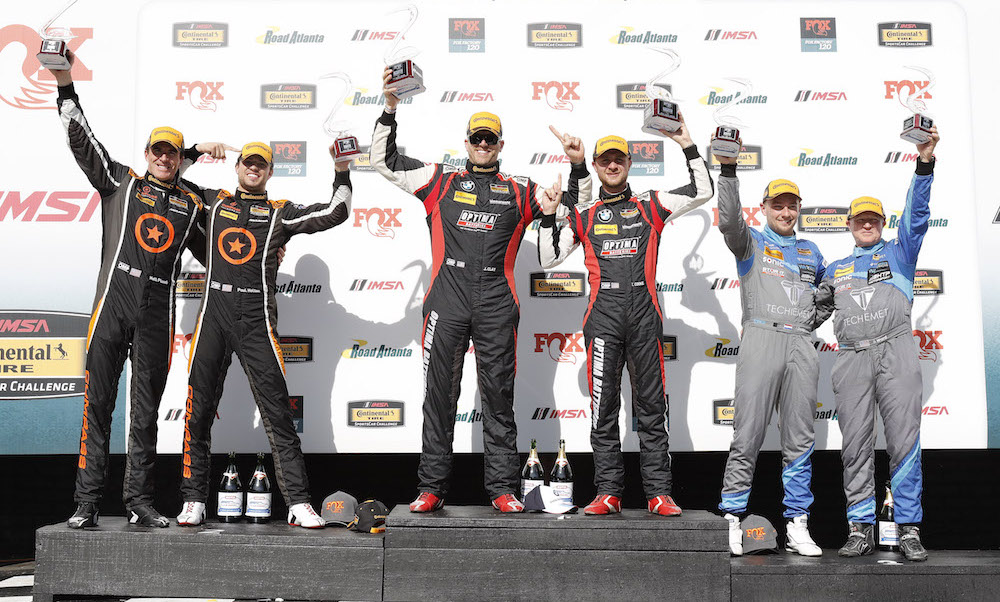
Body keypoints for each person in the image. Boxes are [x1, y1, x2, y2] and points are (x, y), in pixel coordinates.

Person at [371, 67, 589, 513]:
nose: (484, 145)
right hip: (446, 301)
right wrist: (390, 108)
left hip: (496, 303)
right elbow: (384, 162)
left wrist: (577, 167)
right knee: (439, 397)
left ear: (501, 145)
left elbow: (578, 205)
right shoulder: (441, 181)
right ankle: (431, 487)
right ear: (467, 143)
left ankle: (503, 489)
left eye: (491, 139)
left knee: (498, 397)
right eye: (477, 138)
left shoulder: (520, 189)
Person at [49, 51, 228, 528]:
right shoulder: (121, 184)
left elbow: (224, 250)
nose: (164, 158)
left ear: (180, 159)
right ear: (148, 154)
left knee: (145, 415)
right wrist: (65, 84)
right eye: (158, 151)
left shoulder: (192, 203)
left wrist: (268, 257)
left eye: (173, 152)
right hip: (111, 309)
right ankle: (87, 503)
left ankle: (139, 502)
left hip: (156, 318)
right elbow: (82, 140)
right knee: (97, 408)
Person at [537, 118, 713, 516]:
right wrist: (548, 217)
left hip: (644, 317)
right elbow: (548, 258)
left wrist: (686, 143)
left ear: (630, 163)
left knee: (652, 408)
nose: (612, 165)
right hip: (603, 318)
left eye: (619, 159)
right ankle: (608, 492)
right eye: (605, 160)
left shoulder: (651, 204)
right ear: (596, 166)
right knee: (603, 410)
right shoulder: (585, 213)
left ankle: (658, 493)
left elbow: (703, 191)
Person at [175, 142, 352, 528]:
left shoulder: (278, 213)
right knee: (198, 412)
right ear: (237, 167)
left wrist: (341, 169)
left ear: (270, 172)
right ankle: (193, 499)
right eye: (248, 163)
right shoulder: (214, 202)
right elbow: (172, 177)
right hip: (213, 316)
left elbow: (335, 212)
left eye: (261, 165)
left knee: (278, 414)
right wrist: (194, 150)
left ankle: (299, 502)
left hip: (257, 321)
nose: (253, 169)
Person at [816, 127, 939, 562]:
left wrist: (924, 163)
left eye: (873, 219)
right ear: (849, 225)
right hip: (852, 357)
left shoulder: (901, 253)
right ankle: (860, 527)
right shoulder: (835, 269)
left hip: (895, 350)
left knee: (904, 442)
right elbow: (810, 313)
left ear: (883, 224)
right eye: (859, 219)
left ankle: (908, 528)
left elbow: (917, 215)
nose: (867, 224)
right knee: (855, 446)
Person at [714, 138, 826, 556]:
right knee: (747, 434)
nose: (785, 212)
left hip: (801, 343)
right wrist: (728, 171)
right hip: (761, 336)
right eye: (778, 205)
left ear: (798, 209)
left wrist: (809, 323)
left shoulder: (812, 250)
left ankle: (798, 523)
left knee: (799, 438)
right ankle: (731, 517)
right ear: (764, 208)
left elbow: (825, 297)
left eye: (791, 206)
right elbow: (728, 221)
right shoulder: (751, 242)